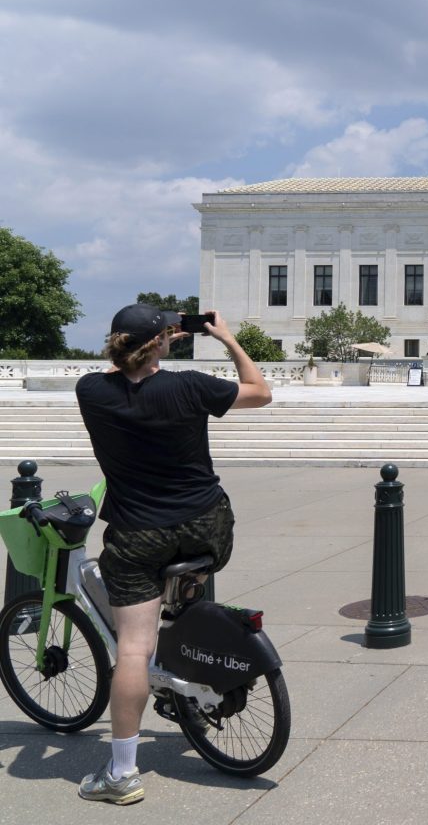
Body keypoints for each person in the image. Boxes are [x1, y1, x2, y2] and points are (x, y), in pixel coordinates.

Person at [74, 305, 272, 805]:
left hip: (139, 535)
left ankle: (121, 774)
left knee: (133, 651)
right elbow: (261, 393)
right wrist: (224, 337)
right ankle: (188, 626)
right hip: (207, 529)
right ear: (163, 342)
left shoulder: (91, 392)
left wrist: (148, 345)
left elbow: (114, 372)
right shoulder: (190, 386)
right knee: (183, 575)